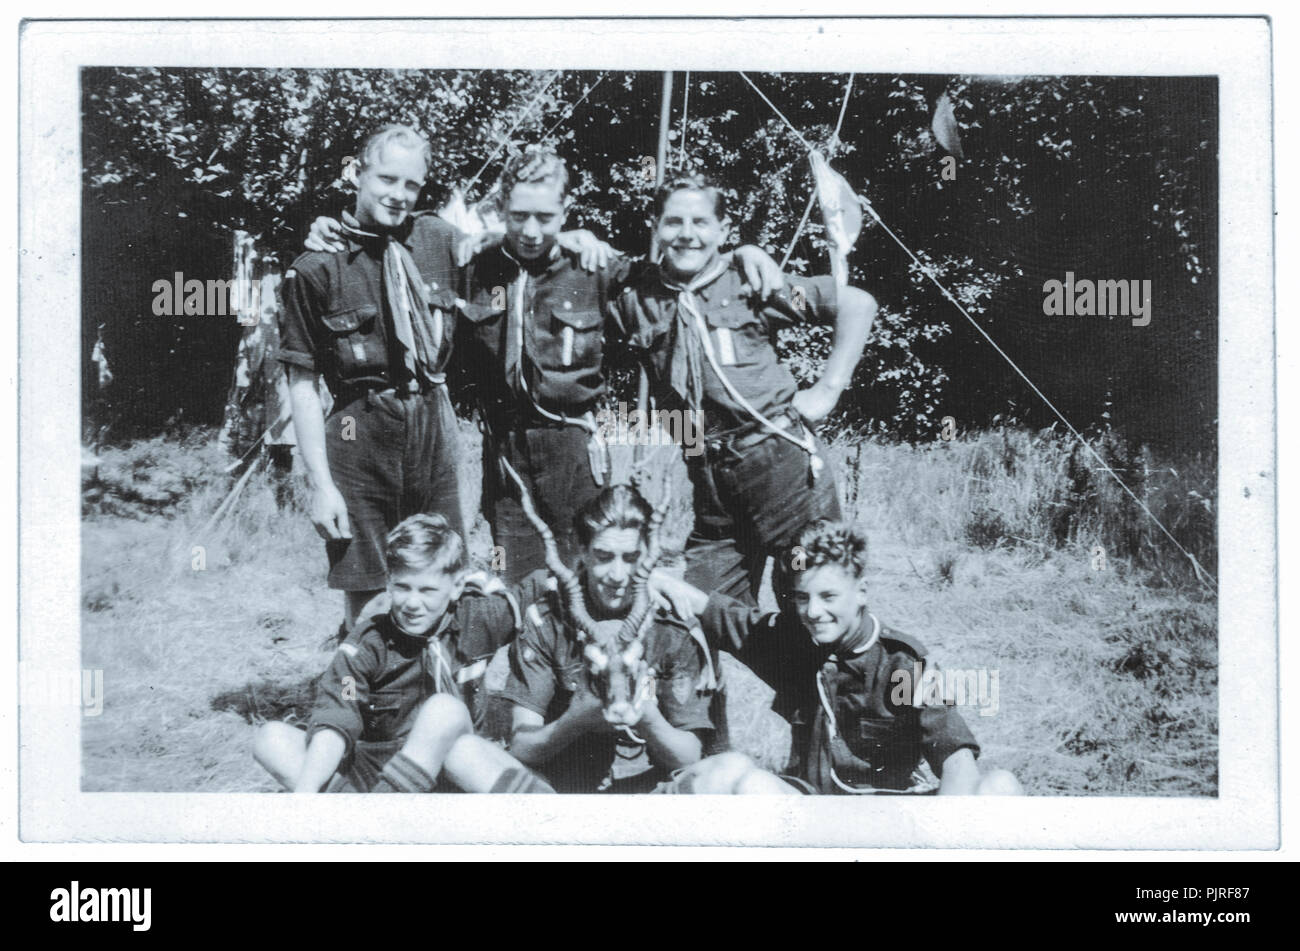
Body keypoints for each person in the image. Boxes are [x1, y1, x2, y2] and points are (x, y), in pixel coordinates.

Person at [310, 147, 784, 586]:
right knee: (516, 582)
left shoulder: (596, 267)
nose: (532, 231)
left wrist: (742, 253)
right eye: (519, 216)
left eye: (546, 216)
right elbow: (388, 251)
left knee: (587, 581)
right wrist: (327, 228)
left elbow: (681, 274)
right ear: (500, 209)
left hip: (573, 450)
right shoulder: (474, 264)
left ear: (566, 209)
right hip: (506, 458)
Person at [612, 172, 880, 606]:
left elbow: (856, 304)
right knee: (698, 613)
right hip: (710, 481)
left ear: (723, 228)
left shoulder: (750, 282)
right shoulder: (636, 297)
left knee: (811, 601)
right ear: (655, 226)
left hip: (782, 468)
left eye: (701, 223)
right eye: (673, 222)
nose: (687, 235)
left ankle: (861, 672)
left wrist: (828, 388)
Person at [651, 519, 1024, 796]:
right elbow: (719, 613)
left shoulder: (901, 664)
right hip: (812, 812)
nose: (813, 611)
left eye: (828, 597)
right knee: (739, 780)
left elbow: (956, 758)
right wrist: (656, 580)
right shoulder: (792, 643)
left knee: (1001, 786)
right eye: (802, 597)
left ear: (861, 591)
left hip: (890, 815)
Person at [277, 125, 469, 634]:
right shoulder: (316, 268)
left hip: (430, 429)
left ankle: (438, 702)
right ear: (355, 174)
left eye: (412, 184)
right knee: (367, 596)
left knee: (443, 578)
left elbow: (518, 250)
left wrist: (576, 238)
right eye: (386, 179)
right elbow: (302, 383)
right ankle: (369, 698)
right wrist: (321, 485)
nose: (398, 195)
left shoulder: (438, 242)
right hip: (356, 436)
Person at [252, 513, 554, 794]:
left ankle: (373, 820)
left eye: (427, 590)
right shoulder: (366, 643)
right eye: (402, 587)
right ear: (388, 582)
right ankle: (377, 815)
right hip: (380, 768)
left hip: (454, 764)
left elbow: (539, 585)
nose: (412, 602)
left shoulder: (480, 618)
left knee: (443, 710)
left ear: (456, 586)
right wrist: (303, 798)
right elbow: (336, 717)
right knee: (272, 739)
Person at [498, 484, 716, 793]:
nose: (617, 575)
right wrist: (575, 720)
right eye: (603, 557)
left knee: (727, 773)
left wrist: (647, 718)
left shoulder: (671, 624)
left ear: (648, 557)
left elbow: (690, 754)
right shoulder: (549, 619)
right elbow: (521, 746)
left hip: (651, 795)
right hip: (563, 794)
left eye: (630, 558)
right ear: (583, 553)